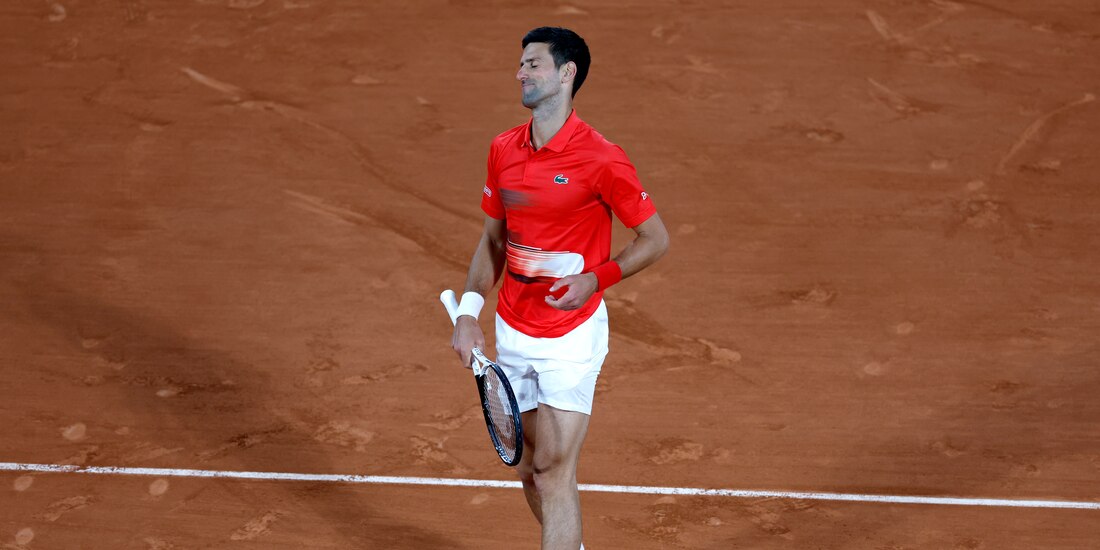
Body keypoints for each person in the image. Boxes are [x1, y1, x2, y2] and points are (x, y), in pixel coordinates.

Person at [450, 26, 669, 550]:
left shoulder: (602, 158)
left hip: (571, 334)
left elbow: (655, 238)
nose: (520, 73)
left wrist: (596, 278)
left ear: (567, 73)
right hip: (514, 329)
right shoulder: (503, 149)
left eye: (533, 64)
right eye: (521, 64)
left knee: (552, 471)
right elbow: (493, 241)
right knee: (531, 471)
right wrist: (468, 312)